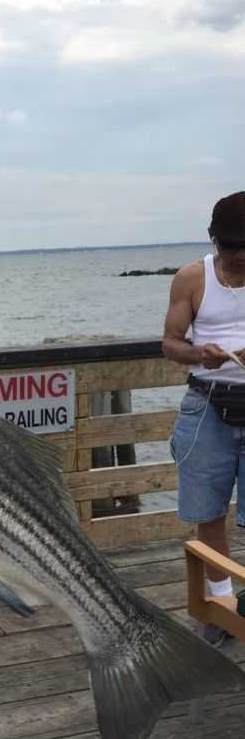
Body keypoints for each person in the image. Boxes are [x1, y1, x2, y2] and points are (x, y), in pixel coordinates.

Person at [163, 191, 245, 646]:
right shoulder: (192, 278)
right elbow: (170, 343)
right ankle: (218, 604)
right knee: (207, 510)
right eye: (230, 249)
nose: (237, 258)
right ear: (214, 239)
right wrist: (200, 354)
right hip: (206, 399)